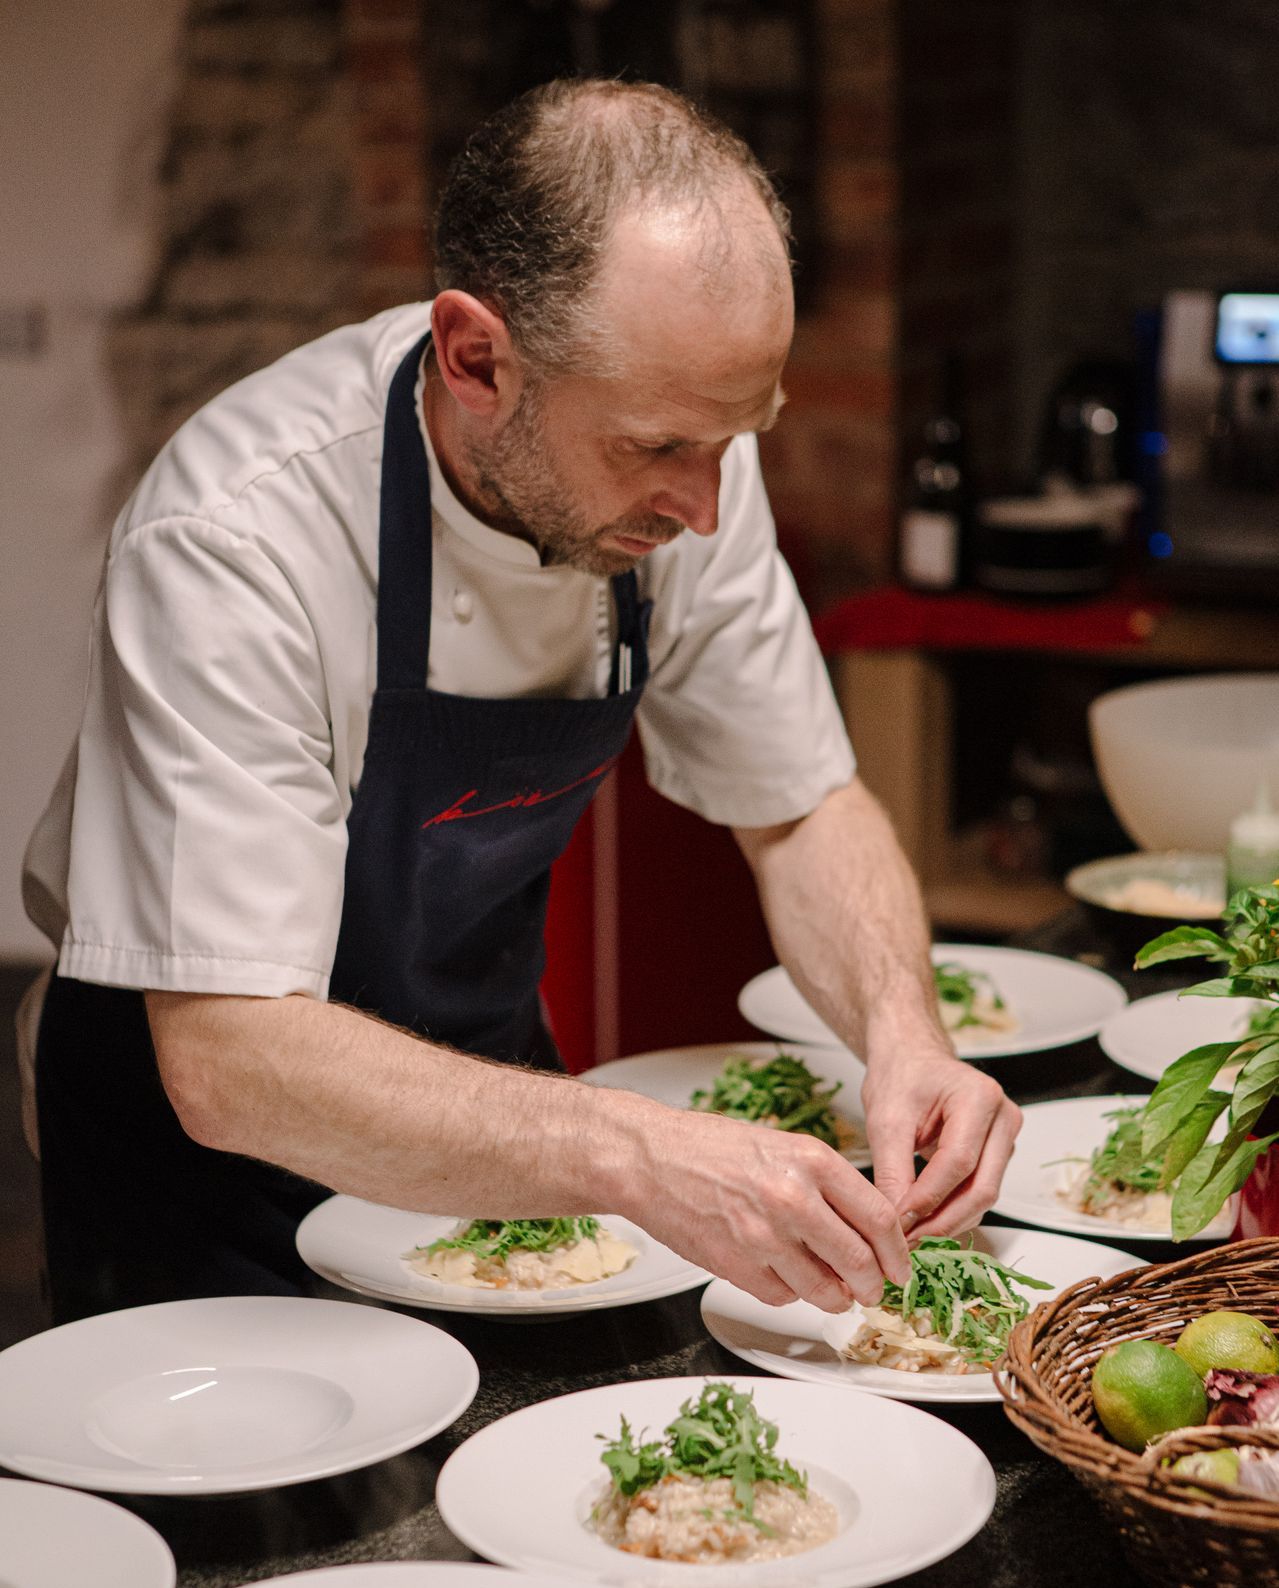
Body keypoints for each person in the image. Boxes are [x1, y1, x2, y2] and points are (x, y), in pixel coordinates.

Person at [21, 78, 1020, 1324]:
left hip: (494, 1122)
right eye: (654, 449)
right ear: (476, 358)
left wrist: (905, 1033)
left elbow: (801, 804)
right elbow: (230, 1056)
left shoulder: (691, 458)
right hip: (203, 1171)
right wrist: (635, 1151)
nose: (704, 507)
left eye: (735, 439)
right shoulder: (237, 539)